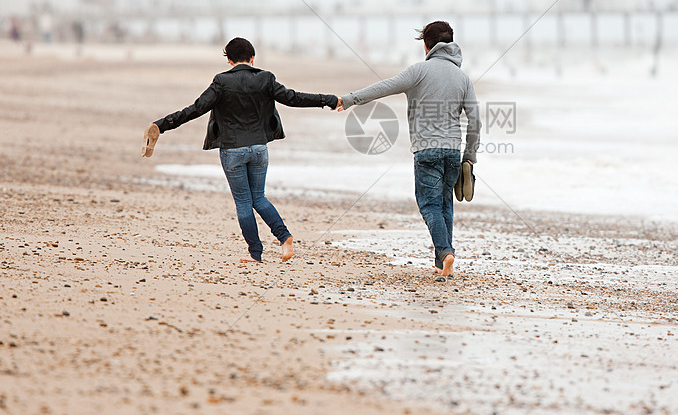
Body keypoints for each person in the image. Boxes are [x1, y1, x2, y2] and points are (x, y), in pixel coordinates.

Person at [142, 37, 339, 263]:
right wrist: (329, 100)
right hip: (258, 149)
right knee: (259, 198)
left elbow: (196, 109)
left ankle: (256, 254)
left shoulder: (221, 82)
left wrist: (162, 125)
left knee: (244, 202)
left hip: (232, 150)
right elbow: (294, 98)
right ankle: (285, 238)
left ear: (229, 60)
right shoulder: (266, 78)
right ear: (252, 58)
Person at [337, 21, 480, 280]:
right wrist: (469, 155)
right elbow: (475, 120)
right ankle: (442, 264)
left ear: (427, 46)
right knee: (445, 203)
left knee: (429, 205)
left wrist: (349, 100)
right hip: (452, 151)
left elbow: (383, 87)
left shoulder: (418, 71)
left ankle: (446, 252)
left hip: (426, 150)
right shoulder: (463, 79)